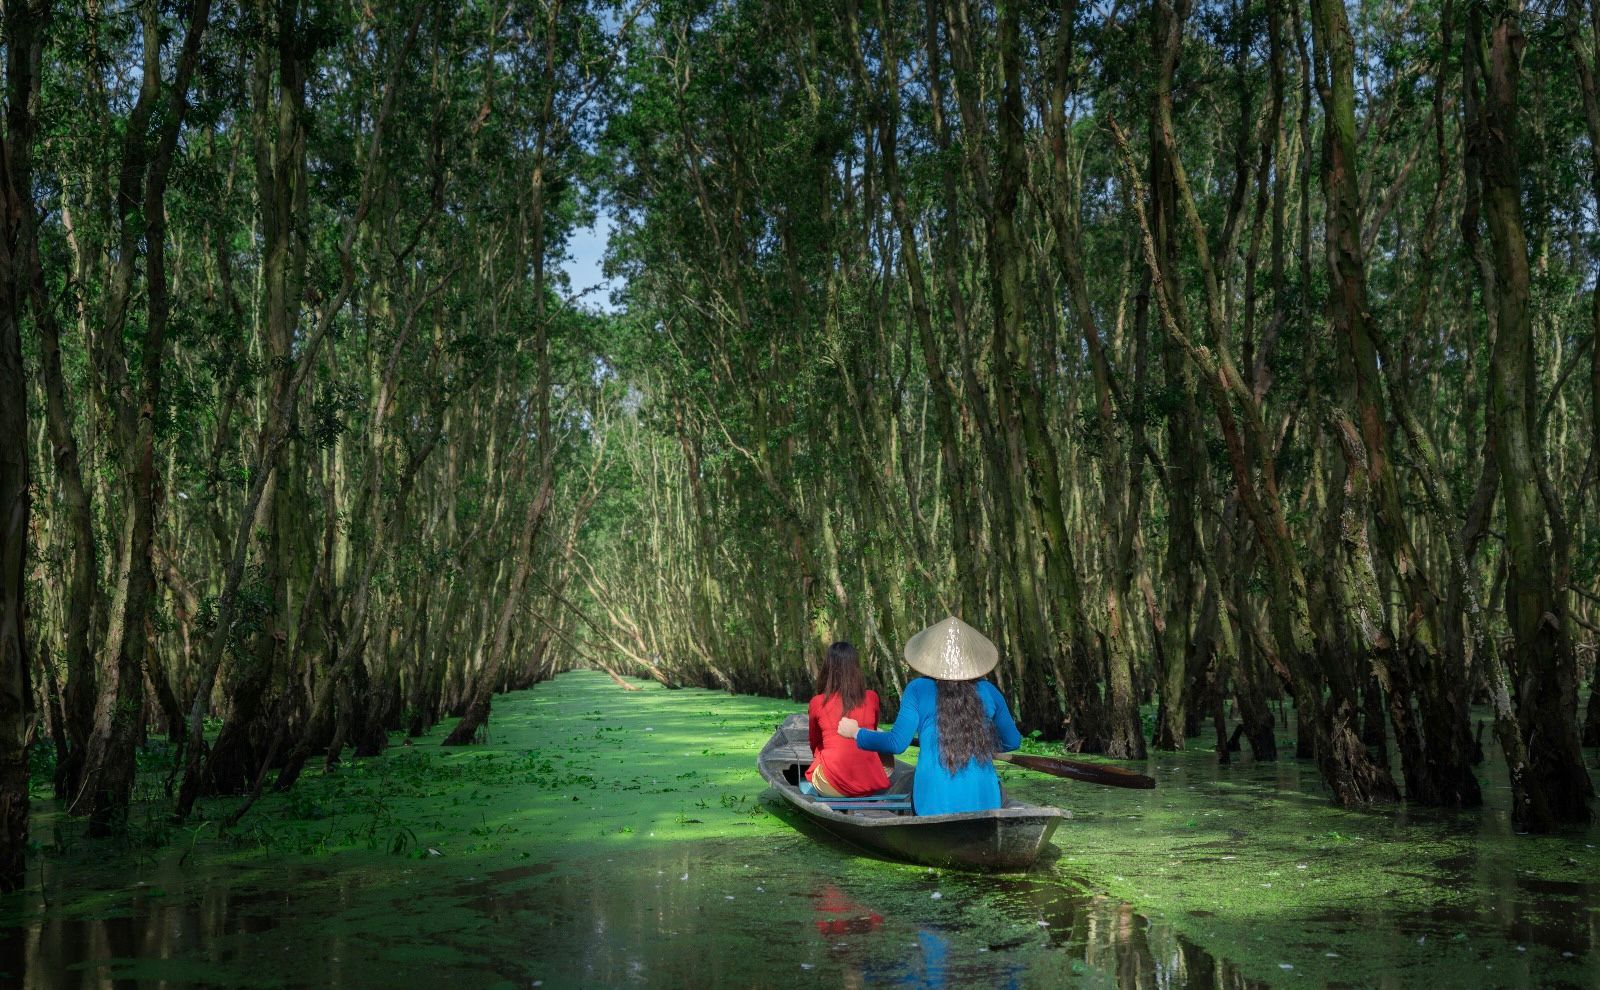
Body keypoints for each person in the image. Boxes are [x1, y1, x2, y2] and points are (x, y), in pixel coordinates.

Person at [839, 616, 1020, 815]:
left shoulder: (918, 689)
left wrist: (856, 732)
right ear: (970, 660)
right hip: (986, 802)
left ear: (932, 658)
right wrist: (976, 742)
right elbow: (1012, 742)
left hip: (932, 805)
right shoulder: (989, 691)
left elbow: (896, 743)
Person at [805, 641, 891, 798]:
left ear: (828, 669)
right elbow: (870, 734)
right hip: (869, 785)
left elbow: (815, 743)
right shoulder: (872, 697)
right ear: (856, 669)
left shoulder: (817, 702)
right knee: (877, 734)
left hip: (833, 786)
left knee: (818, 764)